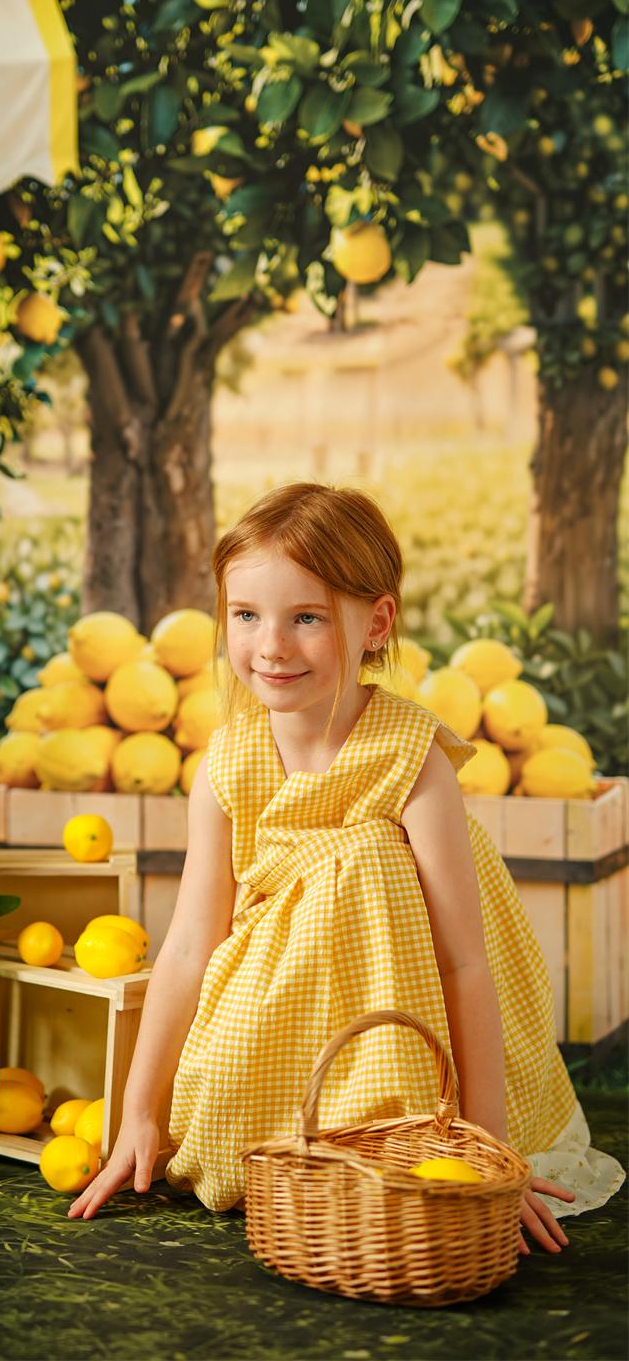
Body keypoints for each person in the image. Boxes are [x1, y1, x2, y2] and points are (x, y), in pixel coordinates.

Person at [67, 482, 625, 1248]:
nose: (270, 646)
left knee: (366, 856)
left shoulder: (408, 756)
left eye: (307, 618)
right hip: (282, 1019)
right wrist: (139, 1112)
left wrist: (490, 1150)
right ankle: (300, 1143)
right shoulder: (228, 764)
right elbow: (192, 946)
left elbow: (464, 961)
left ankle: (403, 1134)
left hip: (400, 1020)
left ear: (376, 623)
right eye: (246, 615)